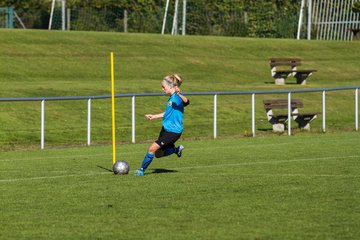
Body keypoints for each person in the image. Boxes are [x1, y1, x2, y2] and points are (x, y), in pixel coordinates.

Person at [134, 74, 188, 176]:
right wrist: (153, 116)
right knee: (158, 154)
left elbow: (187, 101)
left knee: (152, 148)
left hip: (173, 131)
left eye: (164, 87)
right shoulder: (171, 98)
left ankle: (141, 171)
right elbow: (167, 113)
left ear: (171, 86)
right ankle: (176, 150)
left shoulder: (176, 98)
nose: (162, 89)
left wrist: (179, 94)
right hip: (166, 129)